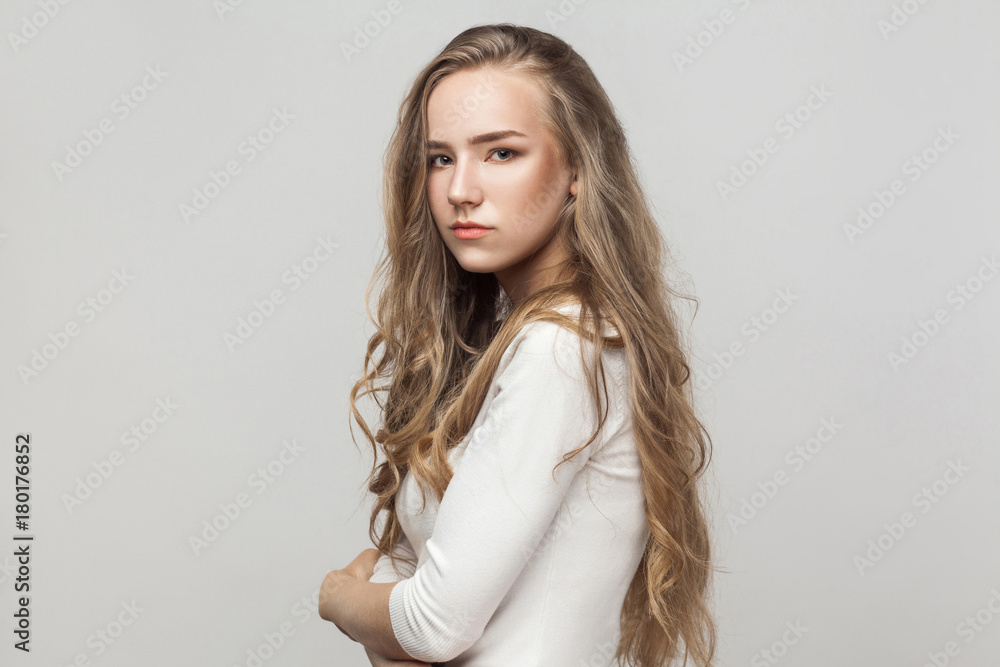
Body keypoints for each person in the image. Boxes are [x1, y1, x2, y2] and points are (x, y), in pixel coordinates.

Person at [319, 23, 718, 667]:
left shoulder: (560, 347)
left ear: (577, 169)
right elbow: (417, 591)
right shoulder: (522, 343)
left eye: (501, 153)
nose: (460, 191)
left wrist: (339, 598)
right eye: (440, 158)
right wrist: (389, 615)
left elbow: (430, 625)